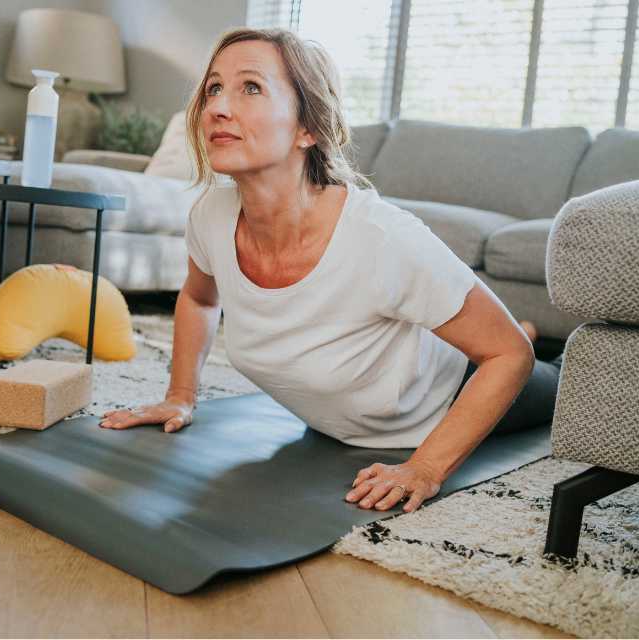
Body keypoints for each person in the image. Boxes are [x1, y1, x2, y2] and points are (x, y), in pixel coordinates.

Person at [99, 28, 562, 514]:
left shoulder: (381, 238)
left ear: (308, 129)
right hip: (365, 401)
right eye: (214, 88)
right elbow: (198, 299)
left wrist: (425, 468)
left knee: (561, 373)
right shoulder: (210, 217)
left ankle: (546, 343)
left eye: (250, 87)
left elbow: (508, 356)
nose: (216, 106)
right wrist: (180, 395)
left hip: (450, 390)